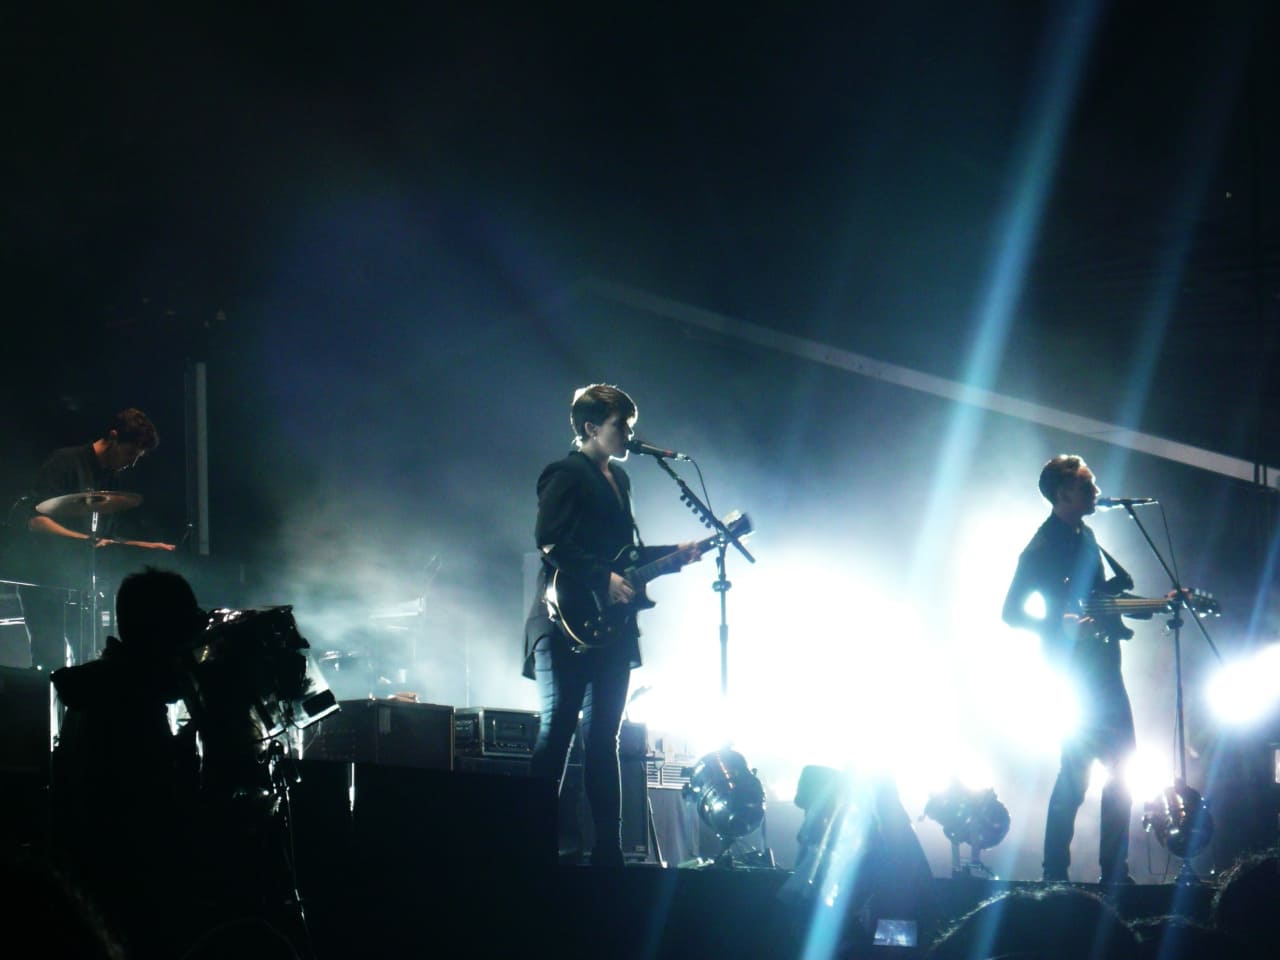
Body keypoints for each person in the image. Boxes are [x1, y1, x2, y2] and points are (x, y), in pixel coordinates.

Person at [524, 383, 701, 868]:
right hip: (563, 621)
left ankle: (609, 851)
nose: (629, 434)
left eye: (630, 425)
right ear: (590, 428)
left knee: (605, 737)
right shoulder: (565, 473)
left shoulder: (621, 483)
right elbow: (551, 540)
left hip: (610, 628)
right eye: (621, 425)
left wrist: (674, 556)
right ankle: (531, 845)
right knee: (557, 731)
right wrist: (602, 578)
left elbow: (626, 558)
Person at [50, 567, 206, 955]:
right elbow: (153, 812)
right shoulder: (125, 701)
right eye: (184, 636)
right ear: (163, 634)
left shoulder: (102, 687)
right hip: (132, 898)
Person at [1002, 454, 1139, 884]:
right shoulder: (1041, 546)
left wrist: (1146, 605)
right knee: (1076, 775)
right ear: (1062, 494)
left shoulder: (1089, 536)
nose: (1095, 491)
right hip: (1071, 677)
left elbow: (1097, 601)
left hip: (1106, 671)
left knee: (1124, 768)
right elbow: (1010, 612)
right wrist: (1058, 626)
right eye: (1086, 485)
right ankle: (1053, 874)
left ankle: (1114, 872)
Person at [20, 408, 175, 670]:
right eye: (130, 453)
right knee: (50, 662)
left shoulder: (110, 476)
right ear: (113, 437)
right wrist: (82, 540)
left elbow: (103, 538)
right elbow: (34, 521)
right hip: (44, 579)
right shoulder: (65, 462)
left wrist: (143, 546)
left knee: (90, 658)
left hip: (80, 579)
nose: (131, 463)